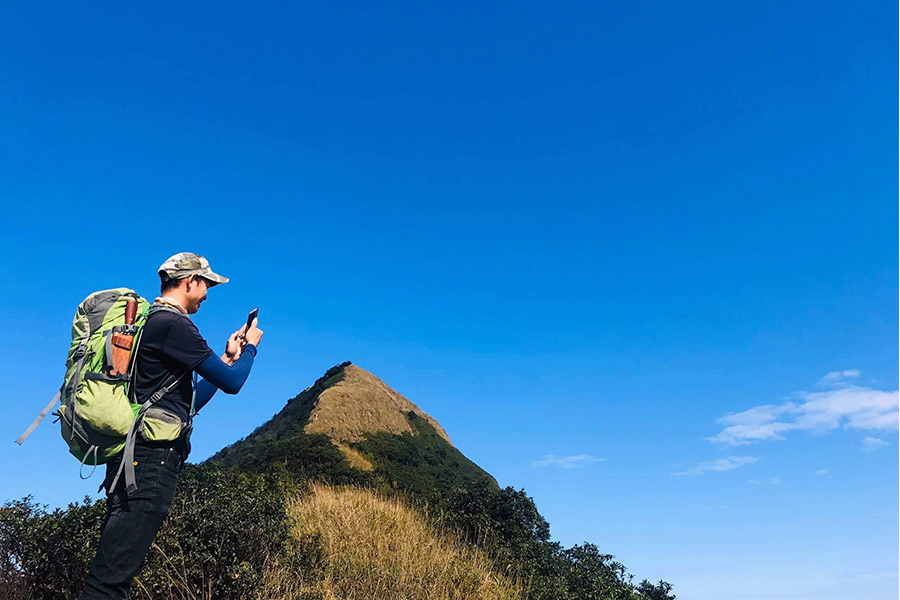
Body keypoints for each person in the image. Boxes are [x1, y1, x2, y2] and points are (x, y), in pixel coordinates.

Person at [78, 252, 263, 600]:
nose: (207, 293)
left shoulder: (152, 322)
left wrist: (226, 357)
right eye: (206, 284)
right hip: (151, 462)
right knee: (110, 582)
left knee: (113, 571)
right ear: (190, 281)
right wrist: (251, 349)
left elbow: (188, 402)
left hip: (134, 456)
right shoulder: (174, 325)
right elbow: (234, 383)